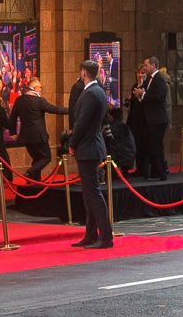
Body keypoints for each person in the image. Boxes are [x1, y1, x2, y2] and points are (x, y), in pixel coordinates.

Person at [66, 60, 115, 249]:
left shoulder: (91, 93)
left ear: (83, 73)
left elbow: (81, 123)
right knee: (89, 194)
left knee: (93, 193)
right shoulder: (99, 91)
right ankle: (91, 234)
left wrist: (72, 144)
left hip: (88, 148)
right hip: (92, 146)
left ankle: (105, 237)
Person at [132, 57, 173, 181]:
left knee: (156, 147)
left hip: (157, 120)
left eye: (146, 65)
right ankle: (154, 171)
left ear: (153, 65)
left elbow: (159, 97)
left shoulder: (159, 79)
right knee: (151, 147)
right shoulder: (150, 79)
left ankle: (160, 173)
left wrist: (143, 94)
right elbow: (148, 97)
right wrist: (140, 95)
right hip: (151, 120)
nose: (144, 67)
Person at [13, 76, 57, 179]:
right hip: (39, 137)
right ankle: (30, 172)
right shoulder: (39, 100)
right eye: (40, 87)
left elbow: (12, 117)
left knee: (37, 159)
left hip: (26, 137)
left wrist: (13, 132)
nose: (41, 89)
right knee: (46, 157)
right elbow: (54, 109)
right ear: (35, 88)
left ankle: (34, 183)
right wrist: (71, 111)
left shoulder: (19, 100)